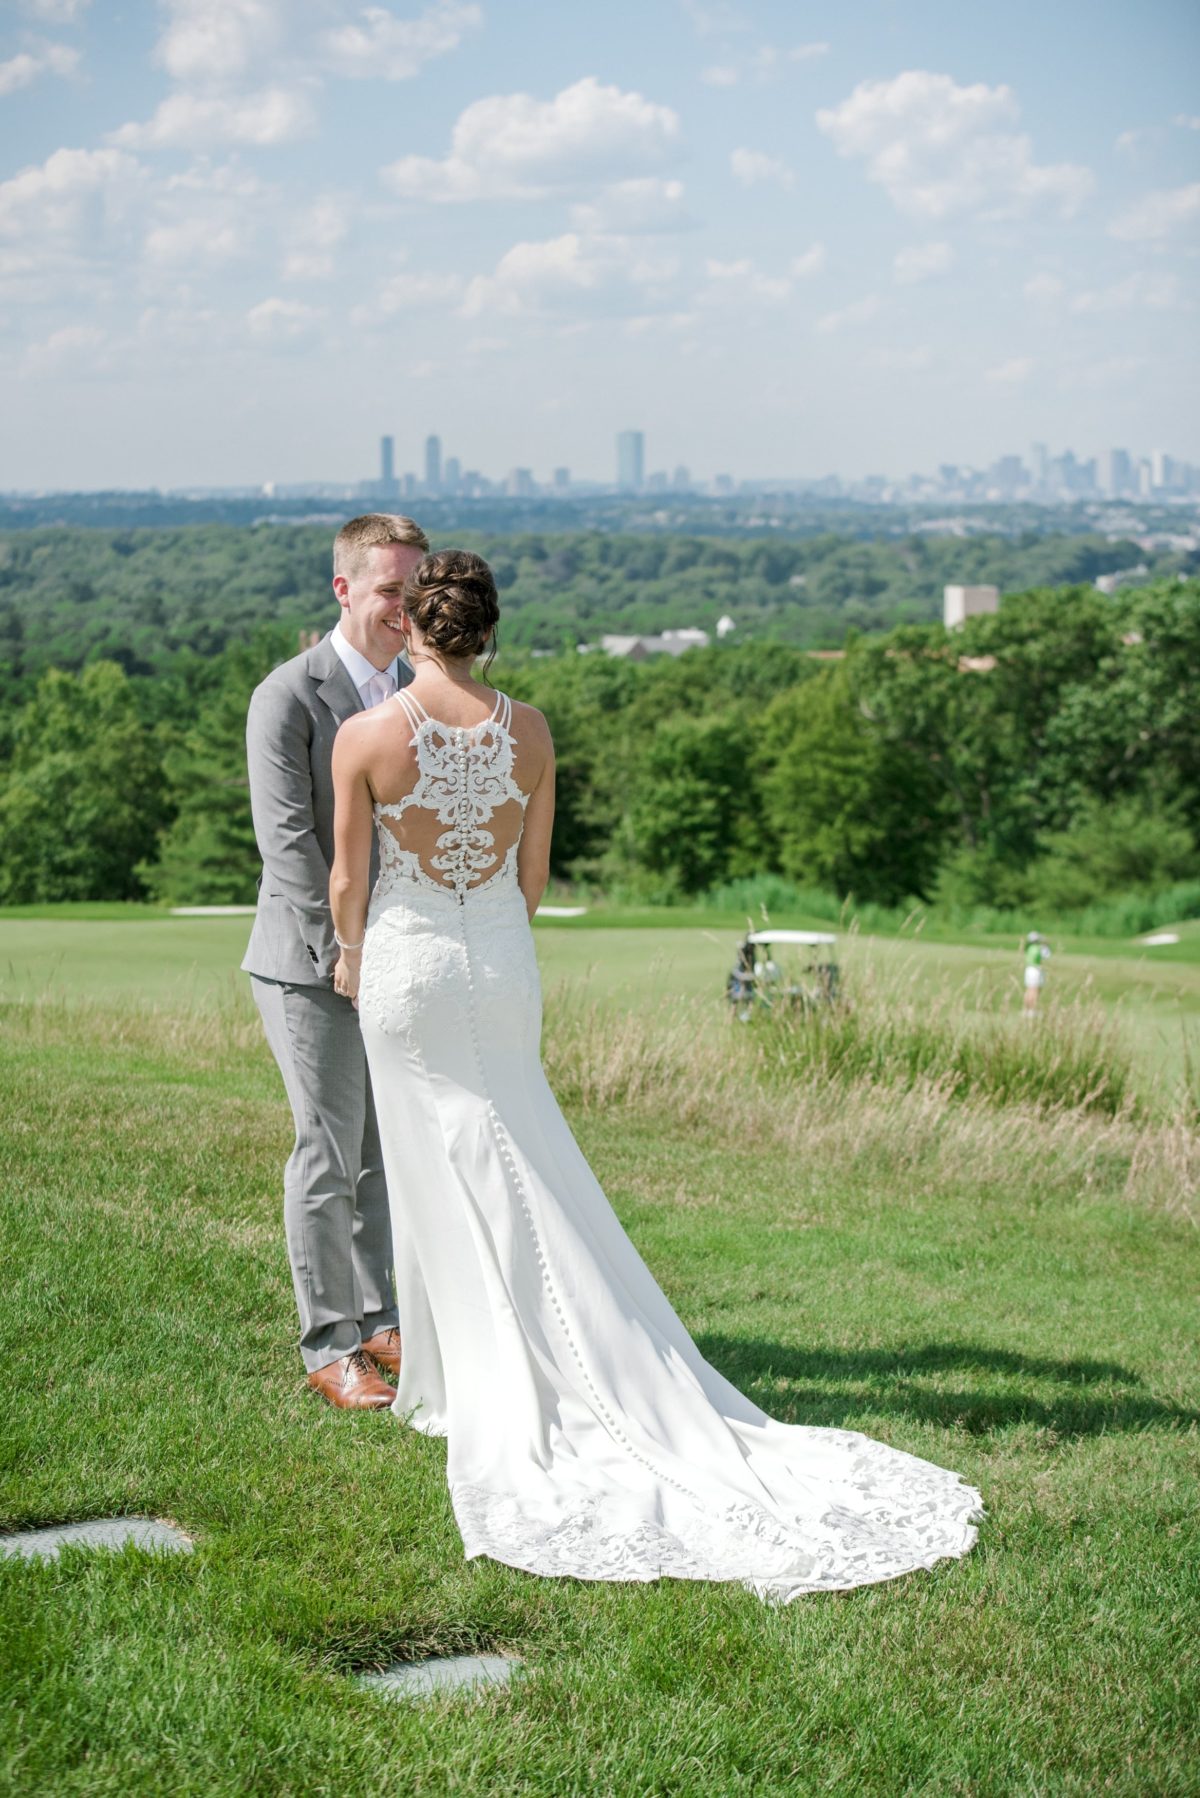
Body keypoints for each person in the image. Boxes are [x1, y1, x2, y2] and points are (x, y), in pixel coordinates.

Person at [329, 549, 982, 1599]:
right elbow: (528, 875)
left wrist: (354, 958)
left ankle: (474, 1381)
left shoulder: (367, 735)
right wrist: (489, 938)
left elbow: (349, 878)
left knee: (440, 1162)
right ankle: (514, 1361)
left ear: (410, 627)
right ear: (489, 627)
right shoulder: (530, 731)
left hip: (407, 967)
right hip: (499, 962)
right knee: (519, 1145)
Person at [242, 513, 428, 1409]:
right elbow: (289, 848)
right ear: (344, 588)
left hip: (394, 956)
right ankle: (328, 1344)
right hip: (306, 961)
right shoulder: (288, 695)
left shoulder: (415, 690)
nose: (407, 606)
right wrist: (342, 954)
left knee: (379, 1151)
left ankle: (379, 1315)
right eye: (392, 588)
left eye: (416, 589)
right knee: (325, 1150)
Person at [1023, 931, 1052, 1014]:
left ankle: (1027, 1009)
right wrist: (1046, 944)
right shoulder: (1038, 948)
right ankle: (1033, 1010)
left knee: (1028, 990)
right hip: (1036, 970)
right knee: (1035, 990)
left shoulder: (1029, 948)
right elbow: (1047, 955)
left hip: (1028, 969)